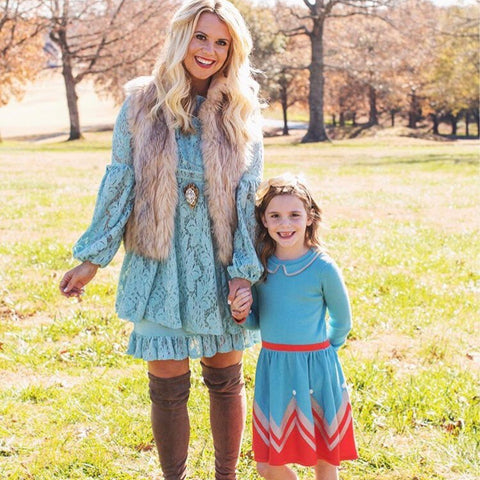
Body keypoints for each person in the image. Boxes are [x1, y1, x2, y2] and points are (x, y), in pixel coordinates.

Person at [59, 1, 264, 479]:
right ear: (180, 37)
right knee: (167, 386)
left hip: (219, 263)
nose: (209, 50)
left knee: (225, 379)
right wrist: (92, 259)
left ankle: (226, 476)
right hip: (158, 263)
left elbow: (247, 199)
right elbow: (121, 182)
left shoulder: (241, 110)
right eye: (200, 36)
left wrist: (243, 274)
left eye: (221, 42)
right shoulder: (140, 105)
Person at [230, 174, 358, 480]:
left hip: (318, 368)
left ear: (309, 217)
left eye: (294, 215)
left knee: (325, 458)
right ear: (263, 220)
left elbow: (342, 321)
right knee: (267, 465)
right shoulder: (261, 266)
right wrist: (241, 313)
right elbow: (257, 320)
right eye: (275, 215)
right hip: (275, 370)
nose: (284, 224)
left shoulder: (322, 267)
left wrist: (323, 353)